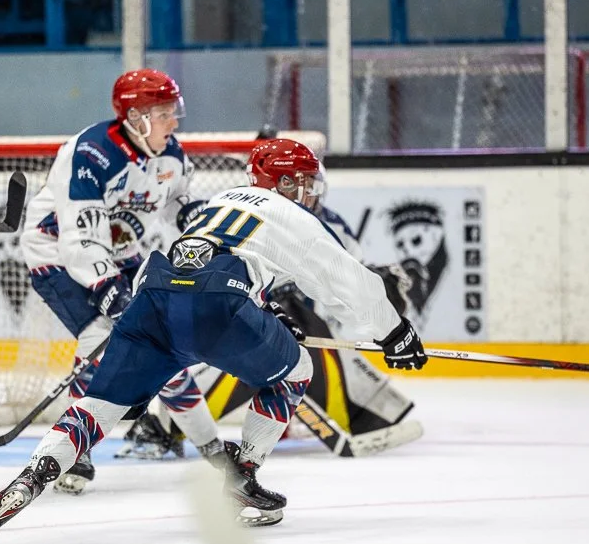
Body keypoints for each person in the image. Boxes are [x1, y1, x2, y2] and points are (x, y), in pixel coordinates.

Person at [0, 138, 428, 538]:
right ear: (286, 185)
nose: (309, 192)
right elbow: (348, 281)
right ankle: (242, 476)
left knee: (98, 407)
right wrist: (396, 333)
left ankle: (34, 474)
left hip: (151, 298)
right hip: (217, 309)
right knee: (295, 373)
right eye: (304, 182)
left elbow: (207, 261)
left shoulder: (222, 201)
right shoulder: (292, 215)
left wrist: (264, 311)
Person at [19, 67, 222, 494]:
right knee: (98, 338)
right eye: (164, 112)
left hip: (123, 252)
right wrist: (110, 290)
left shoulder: (170, 154)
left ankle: (214, 449)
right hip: (56, 252)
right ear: (136, 117)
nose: (175, 120)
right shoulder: (90, 153)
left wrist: (195, 219)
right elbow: (81, 239)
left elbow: (178, 201)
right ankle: (74, 452)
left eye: (173, 110)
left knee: (164, 344)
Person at [118, 186, 422, 461]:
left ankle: (367, 413)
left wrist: (384, 297)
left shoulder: (322, 223)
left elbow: (348, 281)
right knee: (259, 342)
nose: (310, 191)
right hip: (228, 319)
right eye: (299, 181)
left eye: (312, 181)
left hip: (281, 320)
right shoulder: (251, 212)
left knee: (297, 336)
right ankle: (164, 426)